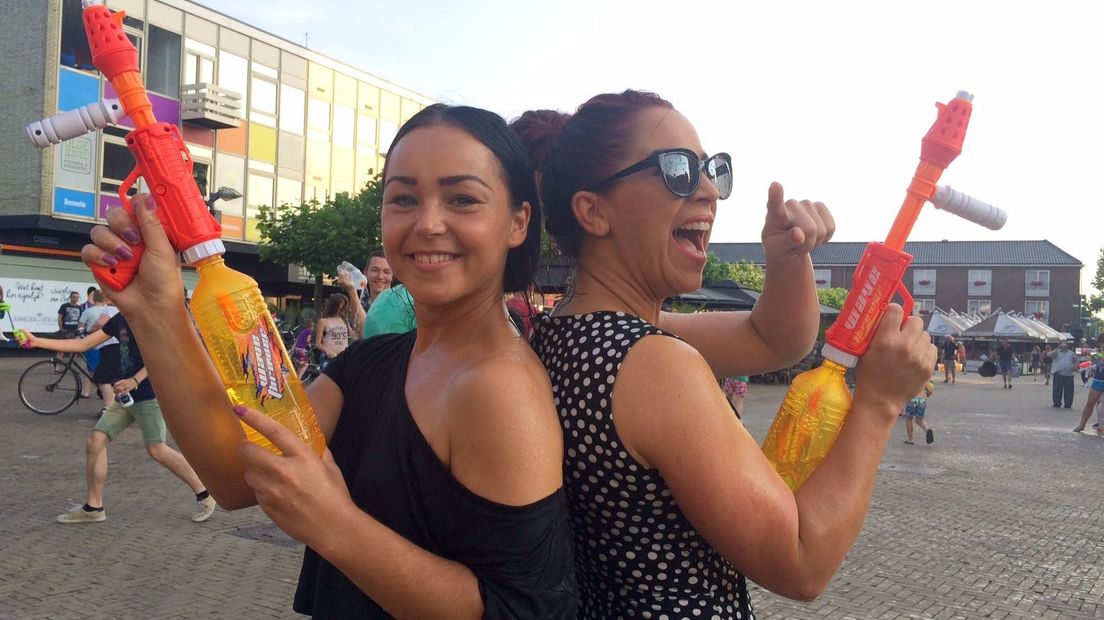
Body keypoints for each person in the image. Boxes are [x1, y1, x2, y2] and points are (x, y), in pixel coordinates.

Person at [80, 103, 578, 618]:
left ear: (518, 221)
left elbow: (525, 609)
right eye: (403, 198)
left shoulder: (499, 388)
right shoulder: (370, 363)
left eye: (462, 199)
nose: (428, 223)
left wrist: (335, 525)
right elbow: (234, 477)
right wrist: (156, 310)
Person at [517, 90, 935, 616]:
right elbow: (801, 560)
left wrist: (786, 259)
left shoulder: (568, 335)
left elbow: (774, 339)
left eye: (710, 169)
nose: (710, 189)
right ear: (593, 211)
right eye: (676, 170)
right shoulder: (654, 363)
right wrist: (878, 403)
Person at [19, 314, 217, 524]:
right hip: (126, 397)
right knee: (96, 441)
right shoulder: (119, 319)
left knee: (157, 449)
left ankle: (204, 494)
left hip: (150, 394)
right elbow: (83, 343)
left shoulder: (147, 317)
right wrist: (37, 341)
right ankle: (94, 507)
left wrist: (135, 380)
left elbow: (161, 354)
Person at [78, 289, 120, 413]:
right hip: (118, 345)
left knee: (103, 378)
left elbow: (99, 324)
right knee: (115, 377)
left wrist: (88, 331)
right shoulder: (119, 309)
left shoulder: (109, 309)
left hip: (110, 346)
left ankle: (108, 408)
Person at [1073, 334, 1104, 433]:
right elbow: (1082, 355)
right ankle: (1082, 424)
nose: (1101, 345)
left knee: (1101, 405)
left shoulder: (1098, 353)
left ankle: (1101, 426)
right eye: (1101, 344)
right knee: (1090, 403)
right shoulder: (1097, 352)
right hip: (1098, 379)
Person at [313, 293, 351, 369]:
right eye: (341, 305)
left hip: (343, 357)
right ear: (335, 305)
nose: (343, 308)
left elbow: (353, 335)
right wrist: (327, 351)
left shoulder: (345, 321)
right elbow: (318, 343)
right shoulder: (323, 321)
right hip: (329, 358)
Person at [902, 380, 936, 445]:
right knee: (919, 420)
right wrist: (927, 395)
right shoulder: (923, 377)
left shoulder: (910, 377)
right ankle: (927, 430)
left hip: (912, 399)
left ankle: (910, 439)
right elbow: (930, 390)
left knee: (909, 419)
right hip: (922, 400)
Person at [1049, 341, 1078, 409]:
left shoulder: (1071, 353)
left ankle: (1068, 404)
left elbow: (1077, 359)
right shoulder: (1056, 352)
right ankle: (1057, 403)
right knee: (1057, 389)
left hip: (1069, 374)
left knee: (1069, 390)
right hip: (1059, 373)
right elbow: (1049, 354)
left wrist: (1075, 366)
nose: (1064, 345)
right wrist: (1058, 348)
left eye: (1065, 343)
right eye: (1062, 343)